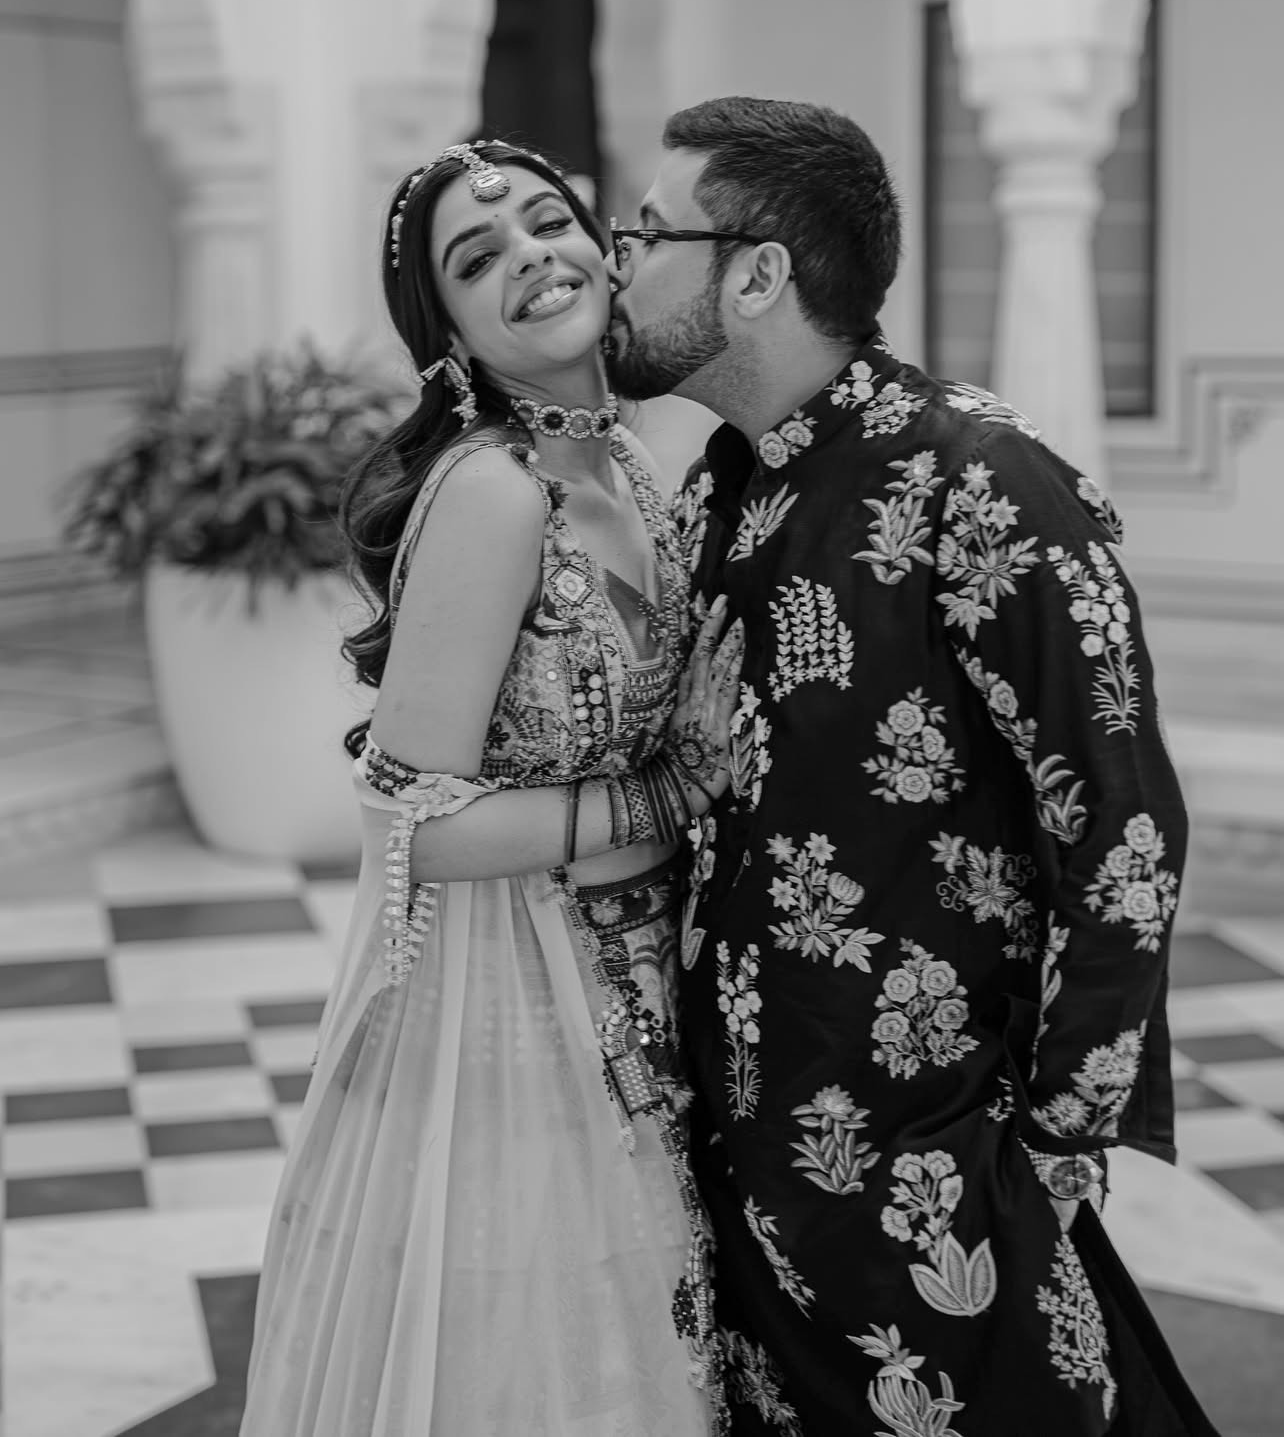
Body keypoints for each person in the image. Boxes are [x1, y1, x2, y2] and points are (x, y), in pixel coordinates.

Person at [607, 97, 1218, 1436]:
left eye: (649, 232)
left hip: (938, 1168)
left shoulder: (984, 485)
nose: (616, 260)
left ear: (756, 272)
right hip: (748, 1161)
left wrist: (1053, 1151)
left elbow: (1123, 842)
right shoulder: (718, 490)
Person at [239, 139, 743, 1436]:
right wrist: (664, 800)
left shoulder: (627, 464)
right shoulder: (490, 493)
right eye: (479, 257)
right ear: (449, 333)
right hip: (514, 1002)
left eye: (546, 221)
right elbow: (413, 820)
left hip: (636, 993)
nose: (529, 255)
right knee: (529, 1354)